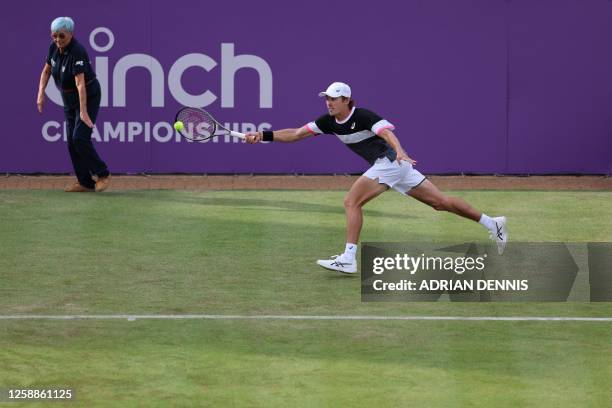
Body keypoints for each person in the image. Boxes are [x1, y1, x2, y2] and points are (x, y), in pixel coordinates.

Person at [246, 82, 508, 274]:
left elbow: (386, 134)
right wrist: (263, 135)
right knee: (439, 203)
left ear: (347, 100)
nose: (329, 102)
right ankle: (492, 223)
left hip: (390, 162)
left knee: (351, 202)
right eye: (327, 98)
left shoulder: (363, 116)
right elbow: (295, 133)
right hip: (396, 166)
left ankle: (349, 257)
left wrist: (401, 151)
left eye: (334, 99)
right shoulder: (327, 122)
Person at [36, 17, 110, 192]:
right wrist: (41, 94)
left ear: (71, 34)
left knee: (80, 138)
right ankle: (85, 182)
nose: (57, 39)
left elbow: (80, 84)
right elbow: (46, 71)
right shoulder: (53, 47)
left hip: (88, 96)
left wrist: (83, 111)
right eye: (54, 35)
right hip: (68, 98)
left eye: (62, 36)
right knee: (71, 141)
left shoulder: (77, 51)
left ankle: (103, 174)